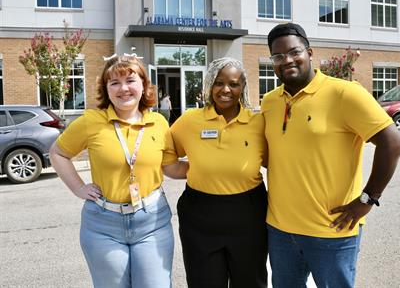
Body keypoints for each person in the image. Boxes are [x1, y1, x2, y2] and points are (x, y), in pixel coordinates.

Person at [261, 23, 400, 288]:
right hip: (281, 232)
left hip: (332, 232)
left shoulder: (344, 93)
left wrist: (368, 198)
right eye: (278, 56)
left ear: (310, 52)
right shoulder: (269, 101)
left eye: (294, 52)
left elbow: (392, 143)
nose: (287, 60)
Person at [49, 55, 187, 288]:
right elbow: (58, 153)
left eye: (130, 81)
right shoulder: (92, 121)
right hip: (103, 225)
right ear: (107, 89)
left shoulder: (159, 122)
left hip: (152, 222)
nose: (123, 89)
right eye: (114, 83)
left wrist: (209, 168)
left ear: (143, 85)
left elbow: (171, 167)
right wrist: (78, 188)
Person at [166, 57, 268, 288]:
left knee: (250, 282)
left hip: (249, 214)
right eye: (218, 83)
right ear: (210, 85)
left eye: (233, 84)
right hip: (200, 215)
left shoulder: (259, 122)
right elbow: (165, 154)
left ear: (243, 87)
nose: (225, 90)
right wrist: (197, 170)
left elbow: (275, 162)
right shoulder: (190, 120)